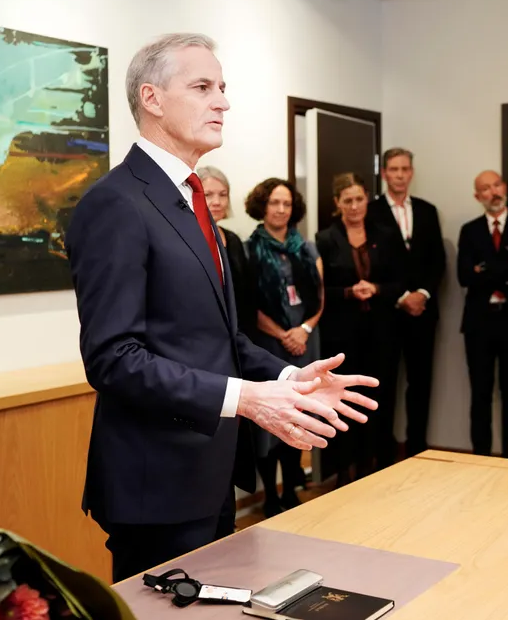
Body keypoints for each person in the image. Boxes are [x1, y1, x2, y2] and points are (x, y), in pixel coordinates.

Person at [65, 33, 378, 582]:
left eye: (223, 88)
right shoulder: (116, 203)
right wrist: (246, 399)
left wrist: (289, 378)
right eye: (203, 87)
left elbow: (218, 337)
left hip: (209, 470)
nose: (223, 102)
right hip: (157, 483)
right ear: (152, 98)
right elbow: (113, 359)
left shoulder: (189, 198)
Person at [316, 173, 405, 484]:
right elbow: (319, 290)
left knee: (379, 397)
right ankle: (344, 470)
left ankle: (375, 465)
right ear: (337, 203)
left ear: (367, 200)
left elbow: (401, 281)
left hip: (382, 332)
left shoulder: (386, 234)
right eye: (348, 200)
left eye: (359, 199)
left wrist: (377, 288)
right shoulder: (325, 239)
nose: (354, 206)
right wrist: (348, 292)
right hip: (342, 335)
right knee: (343, 398)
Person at [244, 177, 324, 516]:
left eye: (287, 203)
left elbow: (320, 296)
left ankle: (291, 488)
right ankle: (270, 495)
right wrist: (282, 334)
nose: (281, 209)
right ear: (261, 206)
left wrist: (303, 330)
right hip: (268, 345)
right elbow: (249, 306)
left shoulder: (307, 248)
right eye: (274, 202)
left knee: (300, 416)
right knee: (269, 422)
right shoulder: (248, 250)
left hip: (305, 341)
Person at [371, 148, 446, 460]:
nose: (400, 175)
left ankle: (418, 451)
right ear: (384, 174)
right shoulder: (371, 211)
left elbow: (438, 260)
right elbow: (372, 265)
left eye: (405, 169)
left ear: (411, 173)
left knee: (421, 384)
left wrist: (422, 294)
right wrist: (401, 296)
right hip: (386, 313)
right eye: (394, 169)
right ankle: (383, 456)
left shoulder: (427, 210)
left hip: (423, 313)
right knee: (383, 385)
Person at [457, 170, 508, 459]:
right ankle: (481, 457)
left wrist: (486, 269)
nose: (494, 192)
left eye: (497, 185)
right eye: (486, 188)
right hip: (479, 323)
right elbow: (465, 276)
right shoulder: (470, 230)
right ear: (478, 196)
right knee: (480, 394)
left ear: (505, 187)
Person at [197, 165, 257, 336]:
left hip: (238, 333)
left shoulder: (233, 239)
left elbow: (246, 294)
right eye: (208, 195)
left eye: (223, 195)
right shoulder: (184, 238)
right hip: (203, 333)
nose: (217, 202)